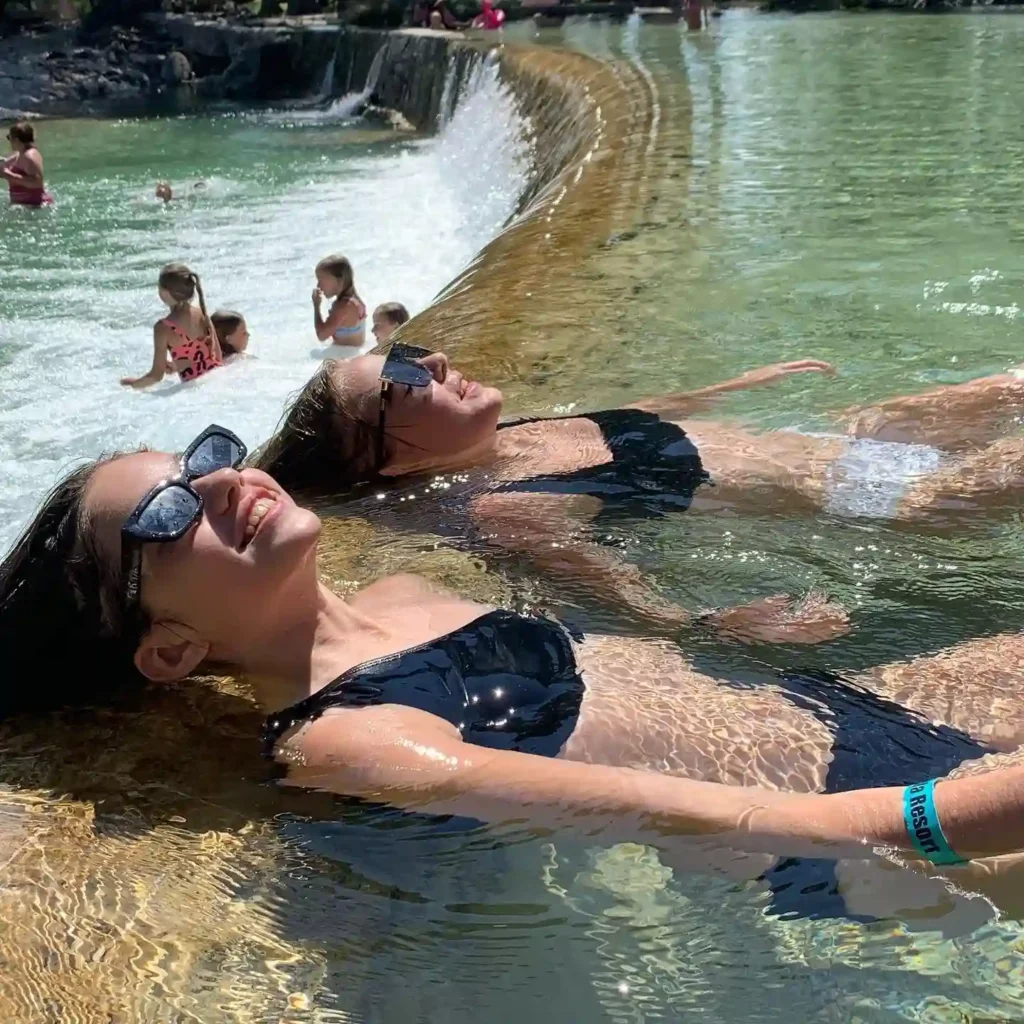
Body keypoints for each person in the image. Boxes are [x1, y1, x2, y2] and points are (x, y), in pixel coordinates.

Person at [4, 428, 1024, 921]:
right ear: (171, 651)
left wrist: (724, 630)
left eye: (203, 455)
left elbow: (649, 675)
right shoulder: (343, 739)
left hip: (856, 707)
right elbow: (683, 813)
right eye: (170, 515)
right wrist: (930, 819)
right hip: (863, 833)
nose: (224, 481)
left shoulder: (407, 589)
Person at [254, 347, 1024, 630]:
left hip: (849, 446)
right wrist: (720, 625)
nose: (432, 364)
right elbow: (620, 597)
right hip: (884, 502)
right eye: (399, 380)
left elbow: (645, 418)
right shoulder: (507, 508)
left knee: (1000, 389)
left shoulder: (515, 434)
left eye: (411, 352)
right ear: (390, 465)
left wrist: (735, 386)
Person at [121, 263, 222, 389]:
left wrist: (133, 385)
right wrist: (178, 365)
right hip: (217, 380)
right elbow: (216, 356)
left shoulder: (163, 328)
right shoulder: (202, 313)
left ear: (164, 293)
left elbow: (156, 376)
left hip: (193, 391)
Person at [312, 255, 366, 348]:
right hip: (352, 354)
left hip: (345, 358)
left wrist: (316, 306)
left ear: (339, 280)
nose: (318, 285)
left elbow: (321, 335)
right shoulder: (355, 299)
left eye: (321, 280)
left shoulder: (344, 306)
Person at [2, 122, 52, 207]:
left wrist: (8, 174)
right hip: (24, 206)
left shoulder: (30, 156)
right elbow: (4, 163)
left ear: (16, 140)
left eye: (9, 138)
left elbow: (37, 182)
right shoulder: (19, 154)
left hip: (35, 207)